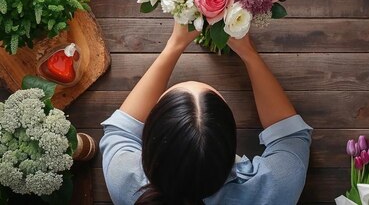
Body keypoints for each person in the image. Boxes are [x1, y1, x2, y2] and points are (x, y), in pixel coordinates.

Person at [100, 24, 313, 204]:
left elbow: (121, 129)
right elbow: (291, 136)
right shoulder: (274, 190)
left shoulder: (126, 183)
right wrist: (249, 53)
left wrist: (174, 46)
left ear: (150, 140)